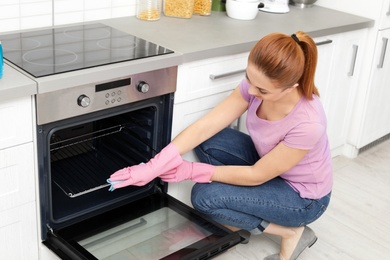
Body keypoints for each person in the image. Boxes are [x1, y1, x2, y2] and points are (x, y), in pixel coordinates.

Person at [108, 31, 333, 260]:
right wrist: (153, 166)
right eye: (250, 79)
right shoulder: (255, 85)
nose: (251, 92)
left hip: (302, 197)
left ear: (290, 87)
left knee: (205, 196)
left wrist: (191, 170)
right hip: (270, 167)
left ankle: (290, 231)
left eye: (262, 91)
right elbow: (207, 125)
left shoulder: (308, 123)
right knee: (209, 140)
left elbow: (258, 175)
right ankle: (239, 215)